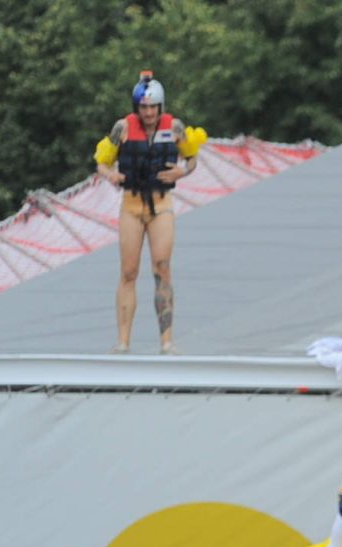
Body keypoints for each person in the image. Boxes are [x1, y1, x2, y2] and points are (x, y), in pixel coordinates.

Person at [94, 72, 205, 354]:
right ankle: (123, 341)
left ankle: (167, 341)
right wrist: (111, 176)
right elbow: (102, 162)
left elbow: (192, 158)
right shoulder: (123, 128)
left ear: (160, 106)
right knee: (129, 271)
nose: (148, 113)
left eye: (153, 107)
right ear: (136, 108)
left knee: (162, 267)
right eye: (143, 107)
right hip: (131, 205)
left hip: (161, 203)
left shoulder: (175, 128)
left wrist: (183, 170)